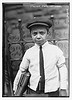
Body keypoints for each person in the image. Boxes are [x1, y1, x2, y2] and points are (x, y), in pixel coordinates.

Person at [13, 18, 68, 97]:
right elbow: (22, 70)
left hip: (52, 90)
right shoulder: (29, 52)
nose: (38, 36)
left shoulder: (55, 50)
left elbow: (62, 68)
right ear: (31, 35)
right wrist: (16, 89)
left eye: (42, 33)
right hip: (33, 91)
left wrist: (63, 88)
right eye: (34, 34)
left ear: (48, 34)